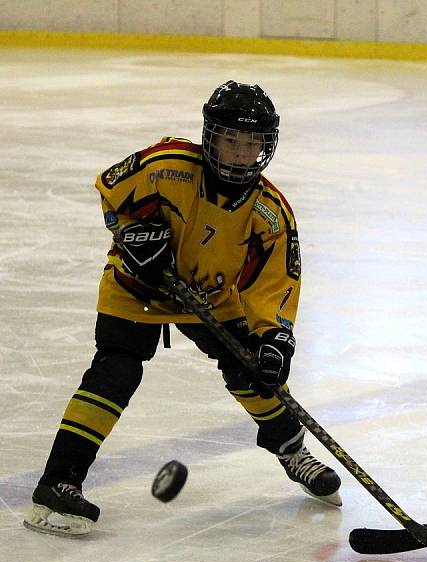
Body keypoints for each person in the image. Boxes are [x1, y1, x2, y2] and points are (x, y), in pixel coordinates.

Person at [23, 80, 342, 538]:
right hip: (138, 287)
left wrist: (274, 336)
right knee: (116, 370)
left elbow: (274, 283)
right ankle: (58, 483)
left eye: (251, 144)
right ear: (210, 136)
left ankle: (292, 450)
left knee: (253, 368)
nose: (238, 153)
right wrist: (132, 235)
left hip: (210, 299)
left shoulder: (270, 212)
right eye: (230, 140)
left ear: (265, 148)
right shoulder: (167, 165)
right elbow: (111, 193)